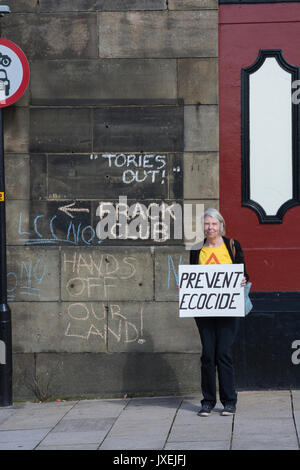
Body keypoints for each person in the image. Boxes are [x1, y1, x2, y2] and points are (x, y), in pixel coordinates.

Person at [189, 208, 249, 417]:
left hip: (228, 308)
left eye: (214, 224)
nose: (210, 227)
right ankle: (207, 401)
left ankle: (229, 401)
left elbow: (244, 273)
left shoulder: (232, 245)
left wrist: (243, 279)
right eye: (207, 224)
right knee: (207, 354)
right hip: (204, 309)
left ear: (221, 225)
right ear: (203, 227)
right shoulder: (197, 249)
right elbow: (193, 276)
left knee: (223, 353)